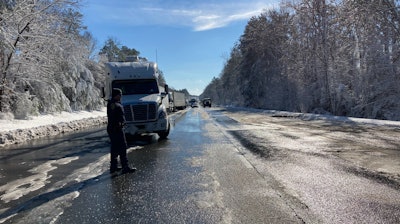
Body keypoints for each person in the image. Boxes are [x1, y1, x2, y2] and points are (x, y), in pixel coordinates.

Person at [107, 88, 136, 174]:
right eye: (120, 95)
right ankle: (125, 167)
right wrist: (118, 124)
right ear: (116, 95)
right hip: (116, 129)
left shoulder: (115, 103)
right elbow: (113, 117)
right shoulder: (113, 104)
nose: (121, 96)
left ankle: (114, 167)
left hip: (115, 128)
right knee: (122, 147)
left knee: (115, 148)